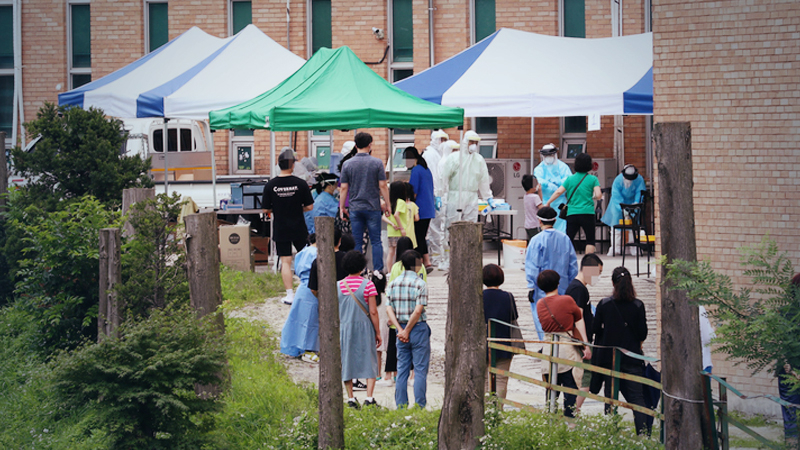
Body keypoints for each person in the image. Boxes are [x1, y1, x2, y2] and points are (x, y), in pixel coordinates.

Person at [592, 266, 650, 435]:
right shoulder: (638, 305)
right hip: (632, 358)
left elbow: (595, 329)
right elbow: (643, 333)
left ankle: (611, 433)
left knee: (610, 398)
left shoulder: (604, 304)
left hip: (610, 359)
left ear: (613, 283)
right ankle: (643, 435)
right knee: (638, 399)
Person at [536, 269, 592, 418]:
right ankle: (570, 422)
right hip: (567, 351)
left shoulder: (540, 304)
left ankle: (550, 420)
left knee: (551, 390)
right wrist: (586, 345)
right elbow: (579, 321)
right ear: (558, 283)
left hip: (548, 350)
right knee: (571, 389)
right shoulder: (567, 300)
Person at [263, 147, 315, 305]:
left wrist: (278, 208)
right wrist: (297, 208)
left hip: (281, 227)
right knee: (305, 256)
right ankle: (306, 288)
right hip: (299, 226)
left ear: (279, 165)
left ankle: (289, 294)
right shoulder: (300, 184)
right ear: (292, 165)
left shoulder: (271, 185)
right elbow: (310, 207)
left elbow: (266, 209)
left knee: (285, 260)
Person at [438, 130, 493, 271]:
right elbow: (443, 178)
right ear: (465, 142)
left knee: (470, 229)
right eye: (471, 142)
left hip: (472, 198)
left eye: (476, 142)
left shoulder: (479, 160)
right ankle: (449, 260)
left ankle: (468, 260)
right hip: (455, 197)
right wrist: (439, 194)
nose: (473, 145)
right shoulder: (454, 158)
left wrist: (488, 197)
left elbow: (484, 180)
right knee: (451, 228)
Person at [339, 132, 391, 272]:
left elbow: (344, 188)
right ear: (370, 145)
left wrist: (342, 206)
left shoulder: (347, 164)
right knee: (376, 241)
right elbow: (383, 185)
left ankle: (358, 271)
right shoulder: (377, 163)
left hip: (355, 207)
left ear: (355, 145)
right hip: (372, 206)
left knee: (357, 241)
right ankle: (378, 271)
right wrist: (388, 204)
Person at [525, 206, 578, 340]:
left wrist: (531, 286)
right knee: (562, 312)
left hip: (542, 286)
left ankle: (545, 341)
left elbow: (532, 265)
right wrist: (572, 283)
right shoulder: (565, 238)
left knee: (541, 313)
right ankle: (563, 339)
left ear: (539, 221)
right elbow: (573, 264)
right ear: (555, 220)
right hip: (563, 284)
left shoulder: (536, 240)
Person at [386, 250, 431, 409]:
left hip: (400, 328)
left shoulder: (393, 283)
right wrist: (408, 330)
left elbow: (389, 309)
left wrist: (400, 329)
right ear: (418, 263)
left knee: (402, 369)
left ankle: (401, 406)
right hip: (417, 327)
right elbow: (418, 310)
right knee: (419, 369)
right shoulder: (420, 284)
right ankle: (419, 405)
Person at [338, 250, 382, 409]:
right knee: (370, 360)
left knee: (346, 360)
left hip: (345, 326)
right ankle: (369, 398)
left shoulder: (339, 285)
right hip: (364, 327)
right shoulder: (368, 285)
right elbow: (373, 311)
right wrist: (378, 332)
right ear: (362, 267)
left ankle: (350, 398)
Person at [565, 253, 604, 413]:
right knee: (584, 382)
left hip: (580, 341)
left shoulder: (579, 288)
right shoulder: (578, 289)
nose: (598, 277)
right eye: (598, 272)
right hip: (579, 343)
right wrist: (585, 344)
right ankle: (573, 412)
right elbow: (578, 318)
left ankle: (573, 412)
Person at [544, 152, 602, 254]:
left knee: (569, 239)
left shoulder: (570, 179)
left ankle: (565, 262)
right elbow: (599, 195)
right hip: (587, 213)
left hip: (572, 213)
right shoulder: (593, 179)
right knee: (590, 240)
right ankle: (589, 267)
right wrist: (591, 196)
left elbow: (558, 191)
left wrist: (548, 202)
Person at [483, 263, 519, 406]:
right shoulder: (508, 297)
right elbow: (513, 317)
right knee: (501, 379)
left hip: (483, 344)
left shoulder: (479, 296)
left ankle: (486, 411)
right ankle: (498, 410)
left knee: (485, 380)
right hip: (504, 343)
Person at [280, 234, 319, 361]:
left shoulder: (302, 252)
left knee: (298, 318)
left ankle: (294, 346)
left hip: (302, 286)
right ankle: (308, 348)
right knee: (311, 319)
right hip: (313, 286)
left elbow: (296, 269)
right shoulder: (318, 253)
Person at [601, 164, 646, 255]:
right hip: (617, 206)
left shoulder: (639, 179)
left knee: (633, 226)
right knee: (616, 226)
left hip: (634, 205)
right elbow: (616, 196)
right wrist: (623, 209)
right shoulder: (618, 180)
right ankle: (615, 247)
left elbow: (640, 193)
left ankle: (633, 247)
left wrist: (636, 204)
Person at [405, 146, 436, 272]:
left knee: (417, 238)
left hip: (420, 209)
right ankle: (427, 262)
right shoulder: (426, 169)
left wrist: (408, 203)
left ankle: (418, 265)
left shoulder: (416, 170)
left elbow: (414, 192)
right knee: (422, 236)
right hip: (428, 208)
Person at [778, 273, 800, 446]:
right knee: (791, 409)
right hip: (790, 372)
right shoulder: (785, 313)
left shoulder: (784, 312)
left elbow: (779, 344)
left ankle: (792, 445)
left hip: (789, 371)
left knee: (790, 411)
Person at [422, 130, 449, 267]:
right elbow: (431, 176)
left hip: (443, 195)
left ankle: (444, 257)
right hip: (433, 195)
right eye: (440, 140)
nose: (442, 143)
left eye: (445, 140)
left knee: (443, 228)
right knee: (434, 229)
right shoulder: (429, 154)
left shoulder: (444, 154)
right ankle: (436, 258)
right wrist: (435, 194)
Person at [533, 144, 572, 233]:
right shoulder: (539, 168)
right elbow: (538, 180)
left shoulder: (562, 167)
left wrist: (558, 183)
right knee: (546, 228)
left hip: (560, 203)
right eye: (546, 156)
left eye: (550, 155)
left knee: (561, 228)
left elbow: (569, 180)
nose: (549, 157)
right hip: (545, 203)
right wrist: (548, 184)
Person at [383, 181, 414, 268]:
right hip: (399, 232)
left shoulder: (389, 202)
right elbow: (397, 214)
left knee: (391, 252)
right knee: (401, 251)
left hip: (391, 231)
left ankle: (389, 272)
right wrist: (401, 228)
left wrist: (392, 224)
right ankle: (400, 269)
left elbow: (383, 217)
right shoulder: (401, 202)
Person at [522, 174, 543, 244]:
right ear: (533, 187)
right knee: (538, 243)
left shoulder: (526, 196)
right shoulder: (535, 197)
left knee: (532, 243)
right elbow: (541, 208)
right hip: (535, 225)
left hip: (528, 225)